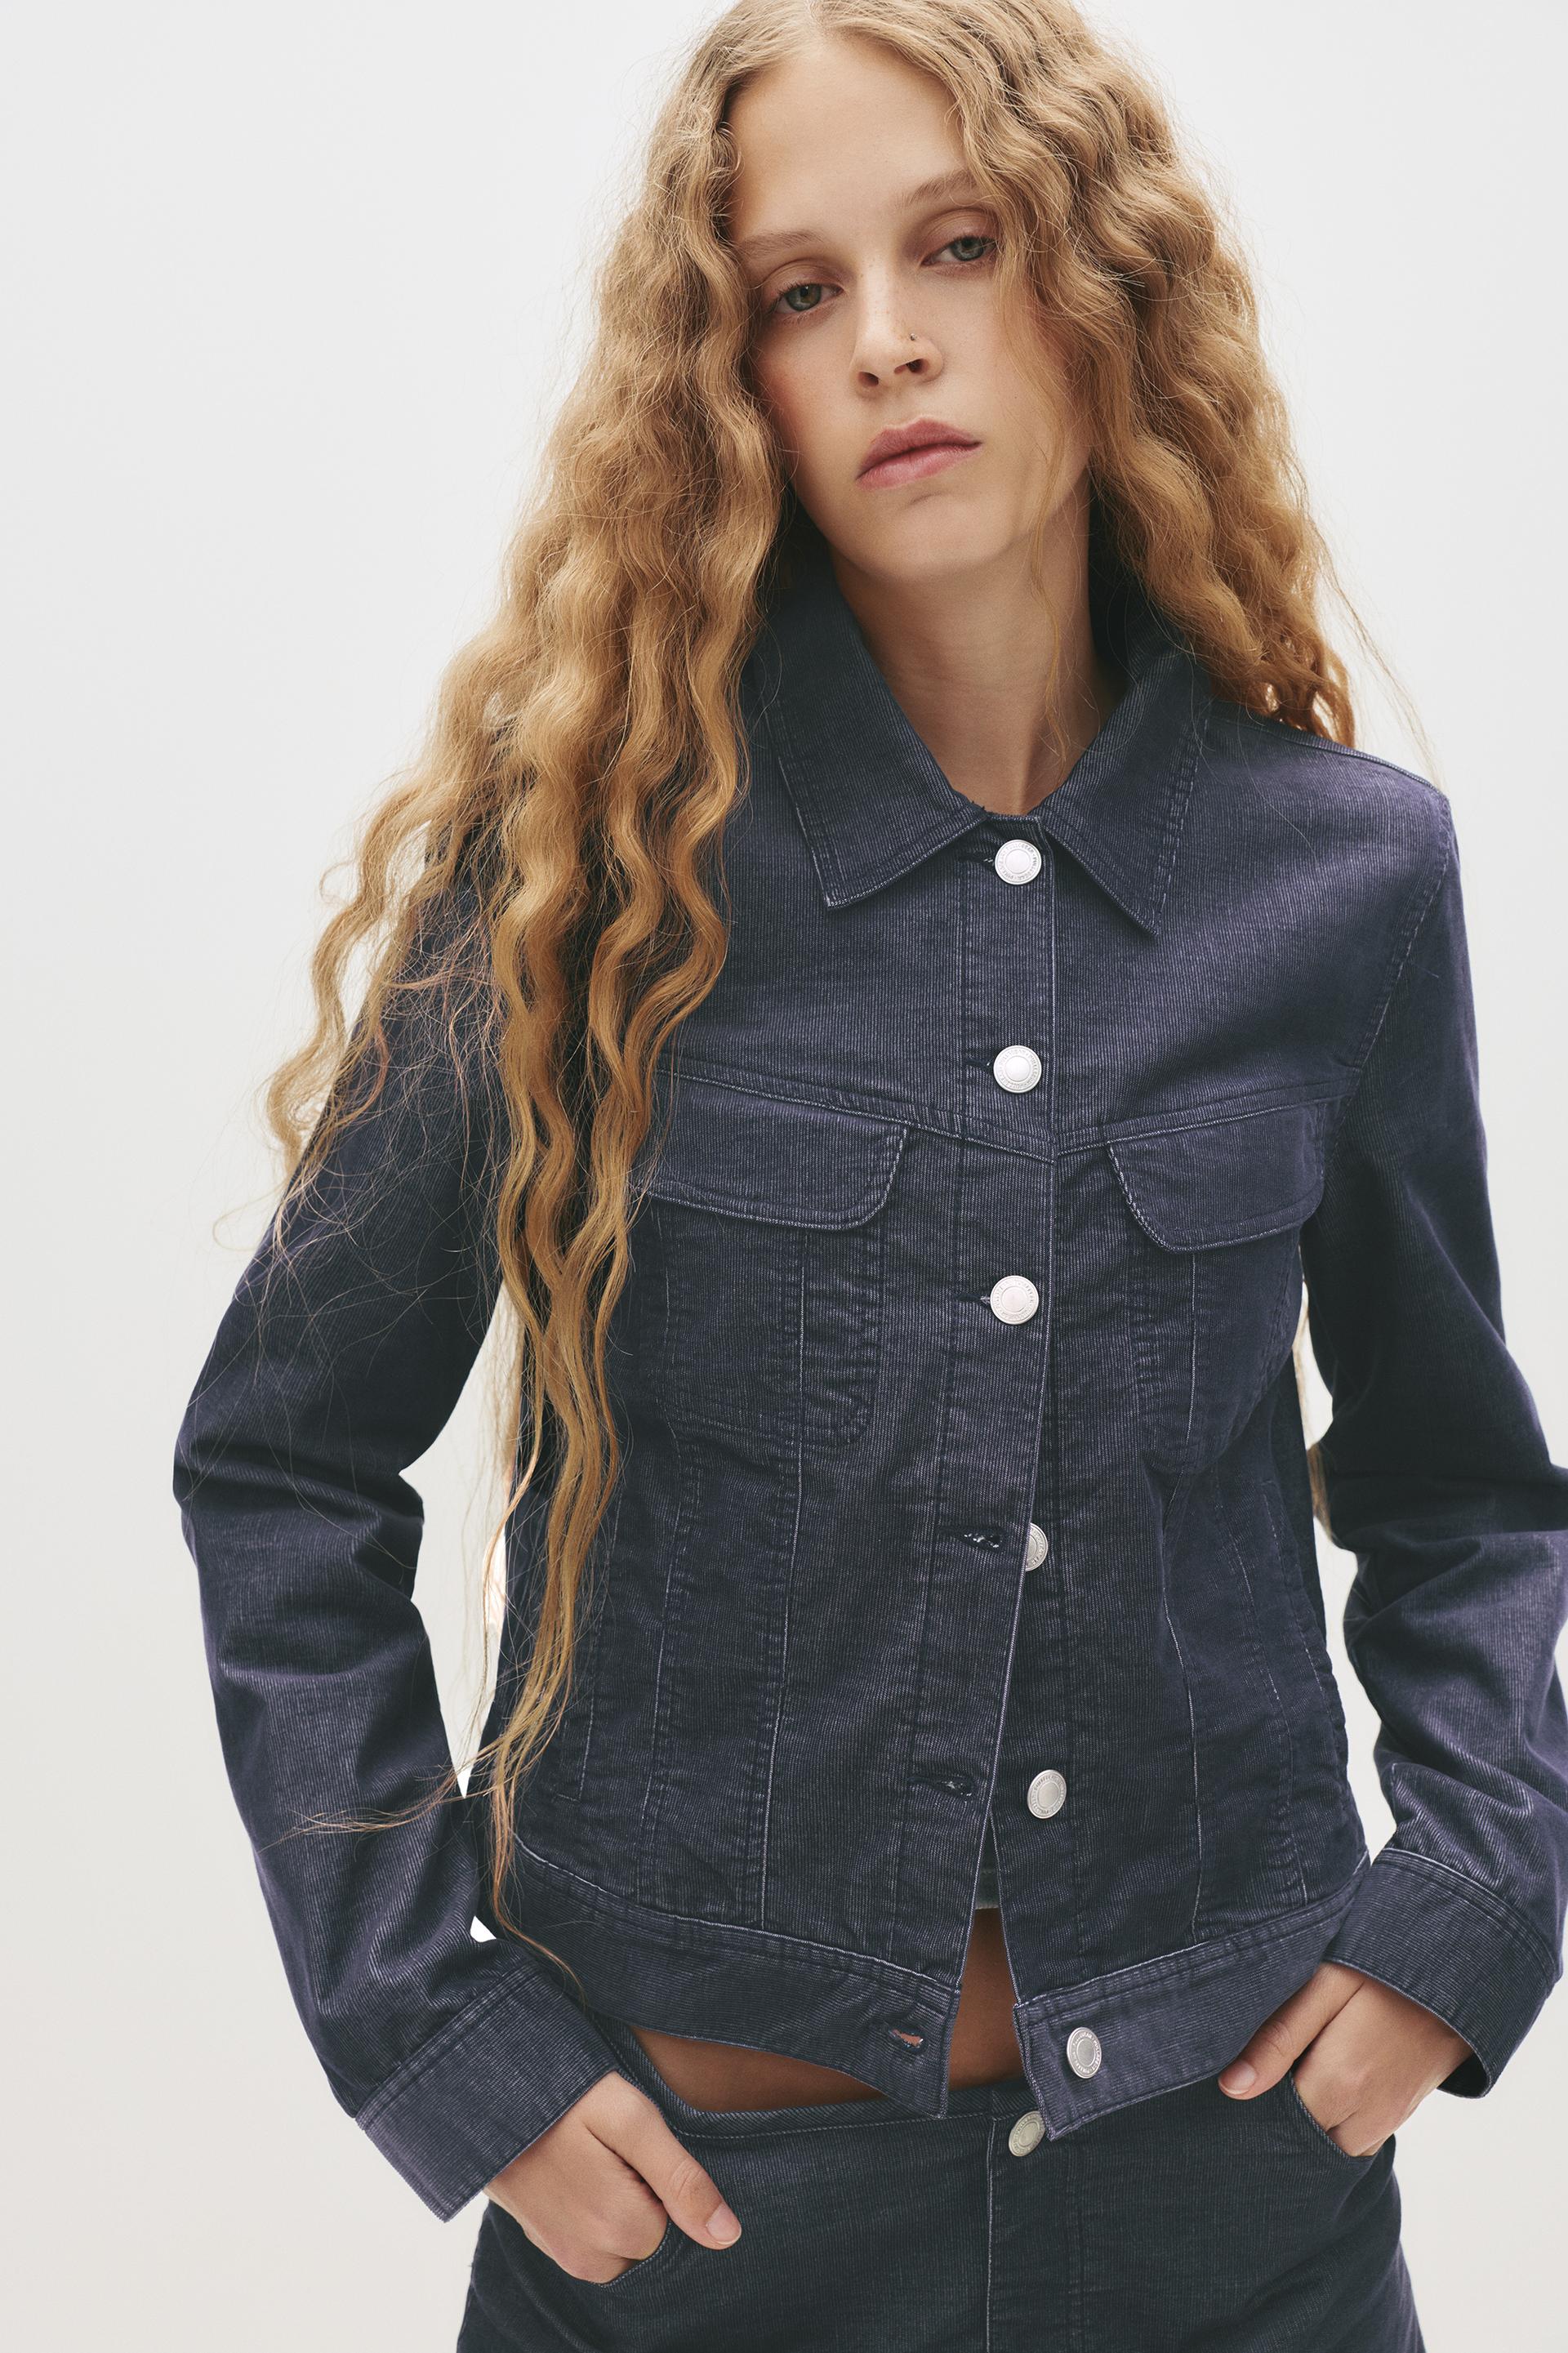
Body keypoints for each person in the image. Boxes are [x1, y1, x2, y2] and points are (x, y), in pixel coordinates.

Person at [171, 2, 1568, 2347]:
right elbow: (282, 1465)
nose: (889, 342)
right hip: (702, 2241)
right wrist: (441, 2038)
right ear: (728, 384)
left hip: (1235, 2229)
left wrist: (1466, 1911)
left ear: (1104, 287)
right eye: (798, 291)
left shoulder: (1341, 880)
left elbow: (1463, 1496)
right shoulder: (583, 874)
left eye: (962, 245)